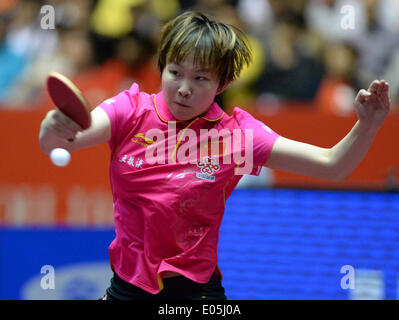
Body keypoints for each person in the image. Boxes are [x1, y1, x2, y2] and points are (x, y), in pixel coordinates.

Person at [38, 11, 391, 300]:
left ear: (222, 84)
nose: (184, 87)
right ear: (162, 67)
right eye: (174, 72)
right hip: (127, 288)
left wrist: (369, 125)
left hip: (196, 296)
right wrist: (54, 127)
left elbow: (333, 167)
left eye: (201, 78)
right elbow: (63, 142)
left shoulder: (236, 135)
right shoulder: (128, 110)